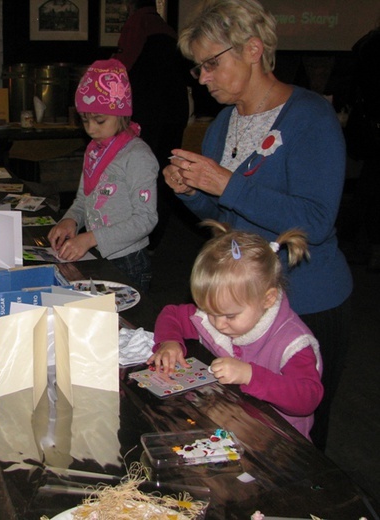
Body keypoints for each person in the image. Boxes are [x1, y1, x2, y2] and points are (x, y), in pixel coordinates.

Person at [162, 0, 351, 452]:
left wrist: (225, 183)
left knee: (298, 442)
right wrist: (192, 193)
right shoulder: (224, 123)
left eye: (211, 64)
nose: (203, 78)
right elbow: (231, 222)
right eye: (198, 68)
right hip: (240, 306)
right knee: (243, 429)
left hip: (306, 302)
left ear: (252, 49)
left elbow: (317, 222)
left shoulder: (311, 118)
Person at [149, 221, 323, 440]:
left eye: (230, 316)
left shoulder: (293, 343)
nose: (219, 324)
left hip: (277, 443)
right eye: (210, 312)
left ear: (267, 299)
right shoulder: (220, 311)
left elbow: (307, 399)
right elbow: (172, 314)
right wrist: (169, 342)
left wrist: (250, 375)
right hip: (228, 426)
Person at [47, 58, 158, 294]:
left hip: (128, 260)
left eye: (99, 120)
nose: (91, 129)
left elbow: (146, 219)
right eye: (85, 120)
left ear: (122, 113)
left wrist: (90, 238)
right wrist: (71, 219)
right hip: (97, 251)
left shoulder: (138, 156)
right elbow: (83, 198)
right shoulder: (94, 150)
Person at [113, 0, 191, 253]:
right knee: (164, 172)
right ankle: (152, 240)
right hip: (173, 111)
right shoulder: (166, 28)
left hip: (148, 112)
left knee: (139, 173)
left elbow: (122, 66)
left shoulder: (138, 23)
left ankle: (136, 238)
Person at [344, 16, 380, 271]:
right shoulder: (371, 45)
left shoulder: (369, 43)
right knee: (371, 189)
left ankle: (365, 245)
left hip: (372, 130)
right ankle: (367, 246)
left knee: (370, 189)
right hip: (374, 129)